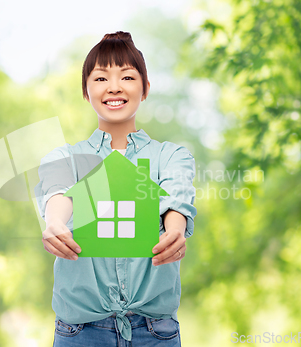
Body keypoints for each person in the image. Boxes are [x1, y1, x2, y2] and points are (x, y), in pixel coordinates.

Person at [35, 31, 196, 347]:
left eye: (127, 76)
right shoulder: (64, 157)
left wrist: (175, 231)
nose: (114, 87)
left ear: (145, 89)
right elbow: (59, 193)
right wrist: (54, 223)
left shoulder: (172, 156)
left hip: (155, 333)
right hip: (81, 333)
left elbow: (176, 198)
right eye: (100, 78)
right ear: (86, 91)